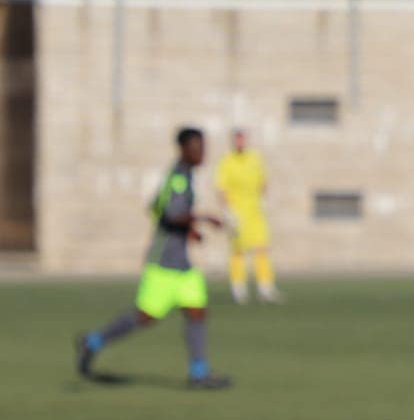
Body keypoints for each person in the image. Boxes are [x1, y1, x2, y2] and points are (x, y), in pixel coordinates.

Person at [74, 127, 231, 389]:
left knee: (197, 311)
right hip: (164, 262)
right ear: (183, 149)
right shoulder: (179, 178)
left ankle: (199, 373)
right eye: (197, 147)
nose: (202, 152)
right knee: (145, 317)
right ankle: (93, 342)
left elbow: (155, 206)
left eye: (203, 146)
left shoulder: (183, 176)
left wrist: (189, 230)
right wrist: (203, 218)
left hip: (182, 264)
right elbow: (170, 213)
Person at [215, 128, 283, 304]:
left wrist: (263, 200)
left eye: (242, 139)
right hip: (237, 212)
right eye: (237, 140)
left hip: (255, 211)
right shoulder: (227, 161)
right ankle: (239, 288)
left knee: (262, 248)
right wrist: (228, 211)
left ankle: (265, 287)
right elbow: (222, 188)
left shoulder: (255, 158)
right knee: (238, 250)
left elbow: (263, 181)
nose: (240, 143)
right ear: (233, 141)